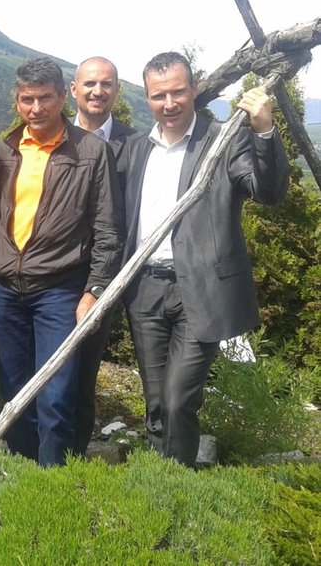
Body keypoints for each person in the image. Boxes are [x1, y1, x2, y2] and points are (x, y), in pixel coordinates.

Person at [122, 51, 288, 467]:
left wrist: (264, 129)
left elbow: (268, 192)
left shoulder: (223, 139)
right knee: (157, 402)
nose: (170, 103)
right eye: (159, 95)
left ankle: (178, 486)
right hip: (144, 290)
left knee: (179, 400)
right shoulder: (135, 149)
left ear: (195, 90)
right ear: (147, 98)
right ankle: (161, 481)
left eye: (178, 92)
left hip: (202, 290)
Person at [0, 56, 122, 467]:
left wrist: (94, 290)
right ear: (17, 100)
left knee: (57, 395)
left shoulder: (91, 151)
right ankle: (25, 481)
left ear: (62, 96)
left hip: (61, 292)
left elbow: (108, 230)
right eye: (27, 99)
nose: (35, 108)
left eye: (45, 98)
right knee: (15, 395)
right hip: (6, 291)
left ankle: (53, 488)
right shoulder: (5, 150)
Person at [68, 56, 136, 455]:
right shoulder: (52, 137)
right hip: (50, 274)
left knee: (83, 372)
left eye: (106, 84)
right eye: (89, 84)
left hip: (105, 276)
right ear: (74, 90)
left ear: (116, 91)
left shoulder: (135, 145)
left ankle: (72, 455)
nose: (97, 91)